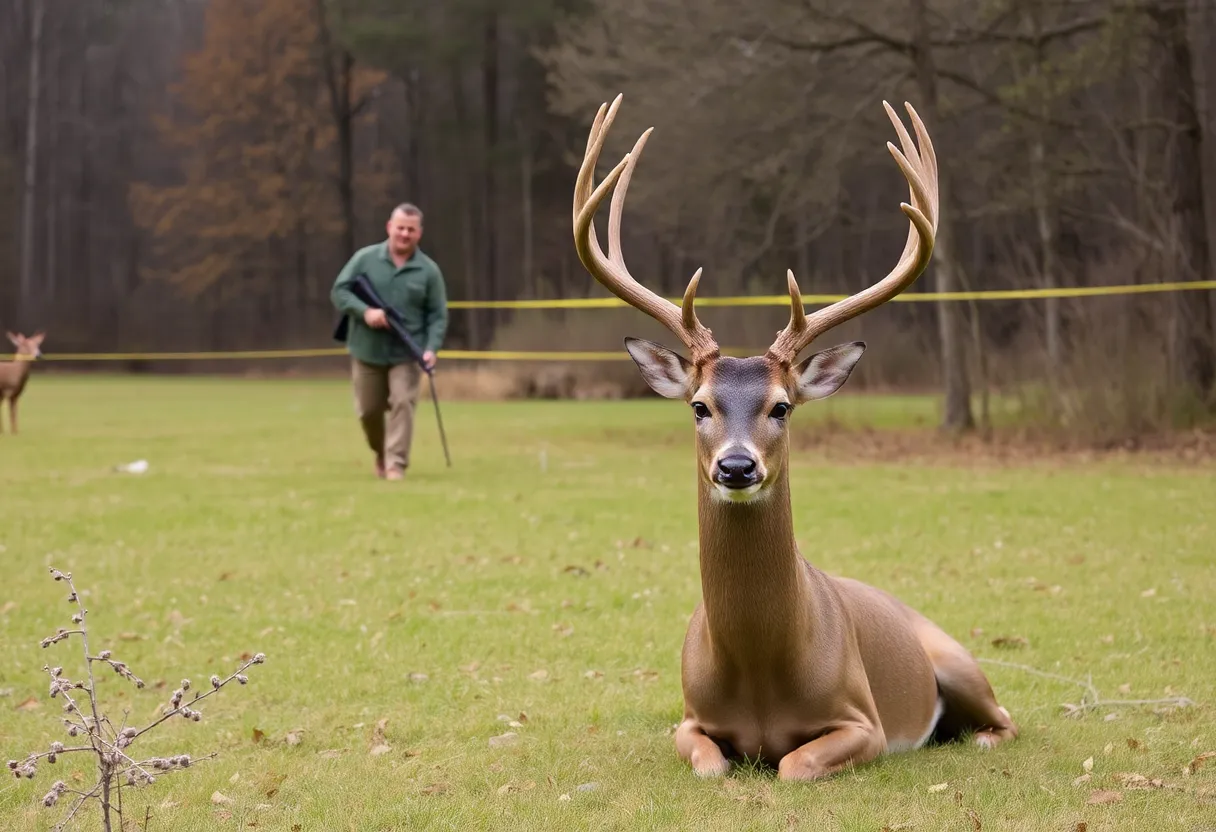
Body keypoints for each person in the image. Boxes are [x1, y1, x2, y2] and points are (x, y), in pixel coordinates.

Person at [331, 203, 448, 481]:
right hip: (367, 350)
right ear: (389, 227)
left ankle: (396, 464)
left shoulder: (429, 271)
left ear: (419, 233)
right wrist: (365, 312)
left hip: (406, 353)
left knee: (403, 403)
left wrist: (431, 348)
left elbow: (438, 315)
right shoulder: (364, 259)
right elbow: (339, 291)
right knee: (368, 412)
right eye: (400, 228)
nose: (405, 234)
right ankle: (381, 453)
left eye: (411, 230)